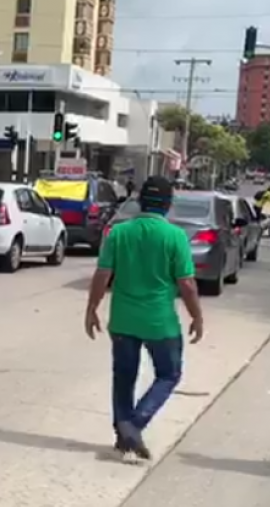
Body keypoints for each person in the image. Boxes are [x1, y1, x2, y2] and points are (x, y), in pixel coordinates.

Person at [84, 176, 204, 464]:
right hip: (160, 323)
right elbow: (186, 284)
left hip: (123, 320)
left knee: (123, 377)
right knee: (169, 374)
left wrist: (92, 308)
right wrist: (197, 316)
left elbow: (102, 275)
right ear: (168, 204)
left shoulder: (119, 233)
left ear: (139, 201)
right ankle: (134, 424)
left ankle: (124, 432)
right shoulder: (174, 236)